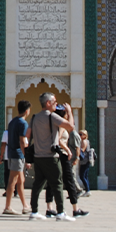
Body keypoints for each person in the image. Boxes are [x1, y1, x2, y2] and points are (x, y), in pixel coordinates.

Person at [26, 92, 76, 221]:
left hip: (38, 156)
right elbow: (70, 127)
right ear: (48, 103)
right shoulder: (52, 117)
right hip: (51, 157)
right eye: (54, 102)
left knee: (38, 184)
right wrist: (69, 112)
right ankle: (61, 212)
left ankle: (34, 211)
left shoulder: (35, 117)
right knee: (57, 183)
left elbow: (27, 136)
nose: (56, 104)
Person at [43, 106, 89, 218]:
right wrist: (67, 150)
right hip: (62, 155)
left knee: (52, 181)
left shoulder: (54, 124)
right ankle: (75, 208)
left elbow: (71, 126)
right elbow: (58, 139)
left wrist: (70, 112)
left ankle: (50, 208)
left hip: (53, 155)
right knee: (69, 181)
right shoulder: (60, 126)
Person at [3, 100, 31, 215]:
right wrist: (26, 156)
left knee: (21, 181)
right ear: (26, 111)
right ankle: (8, 206)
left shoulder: (12, 122)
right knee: (12, 181)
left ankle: (25, 206)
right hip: (17, 154)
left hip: (11, 153)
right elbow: (22, 140)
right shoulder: (22, 123)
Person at [78, 129, 92, 197]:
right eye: (79, 134)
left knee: (82, 176)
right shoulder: (87, 141)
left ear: (85, 135)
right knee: (85, 176)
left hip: (84, 161)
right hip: (87, 161)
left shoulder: (83, 142)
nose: (80, 135)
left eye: (81, 134)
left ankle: (88, 190)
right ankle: (87, 190)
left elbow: (82, 151)